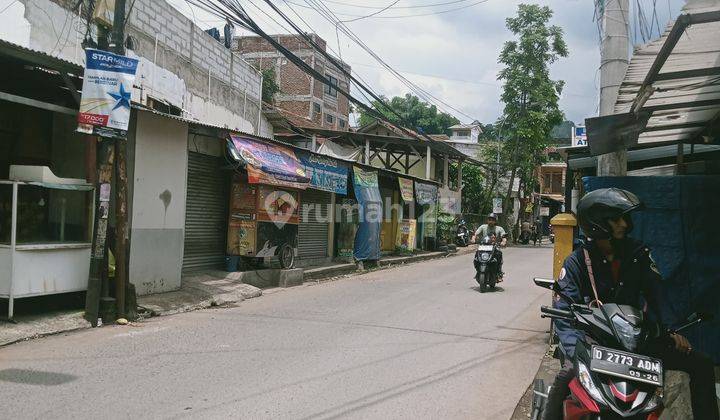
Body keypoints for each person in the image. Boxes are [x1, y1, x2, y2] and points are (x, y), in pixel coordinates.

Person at [543, 188, 719, 420]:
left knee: (702, 365)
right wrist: (575, 348)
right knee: (566, 374)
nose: (625, 224)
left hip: (636, 342)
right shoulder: (576, 262)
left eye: (625, 218)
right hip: (595, 342)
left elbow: (659, 296)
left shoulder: (639, 254)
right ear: (597, 222)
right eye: (617, 219)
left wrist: (671, 331)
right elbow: (564, 312)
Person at [472, 213, 507, 280]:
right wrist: (473, 239)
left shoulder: (499, 229)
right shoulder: (483, 227)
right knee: (476, 256)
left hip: (495, 246)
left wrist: (503, 241)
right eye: (489, 219)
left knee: (499, 254)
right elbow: (475, 234)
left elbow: (503, 236)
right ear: (487, 220)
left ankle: (499, 271)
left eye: (493, 220)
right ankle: (478, 271)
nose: (491, 221)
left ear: (495, 221)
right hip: (483, 246)